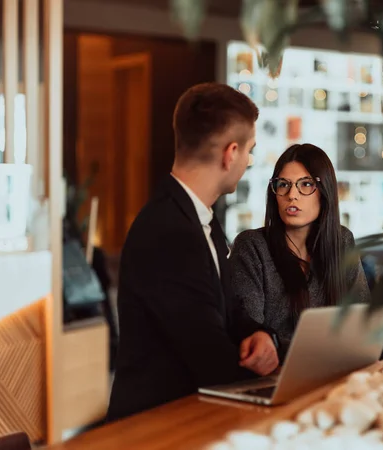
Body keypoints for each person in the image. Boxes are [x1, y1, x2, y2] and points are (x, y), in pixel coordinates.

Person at [107, 83, 280, 422]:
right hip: (153, 428)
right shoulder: (168, 231)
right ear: (230, 154)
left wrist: (258, 334)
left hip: (191, 414)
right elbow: (208, 355)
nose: (248, 160)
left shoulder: (203, 220)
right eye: (249, 151)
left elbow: (228, 309)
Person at [229, 144, 370, 360]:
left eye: (305, 184)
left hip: (336, 372)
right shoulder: (252, 247)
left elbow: (363, 321)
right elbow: (251, 337)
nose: (292, 195)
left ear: (325, 193)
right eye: (283, 184)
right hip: (273, 377)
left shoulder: (341, 242)